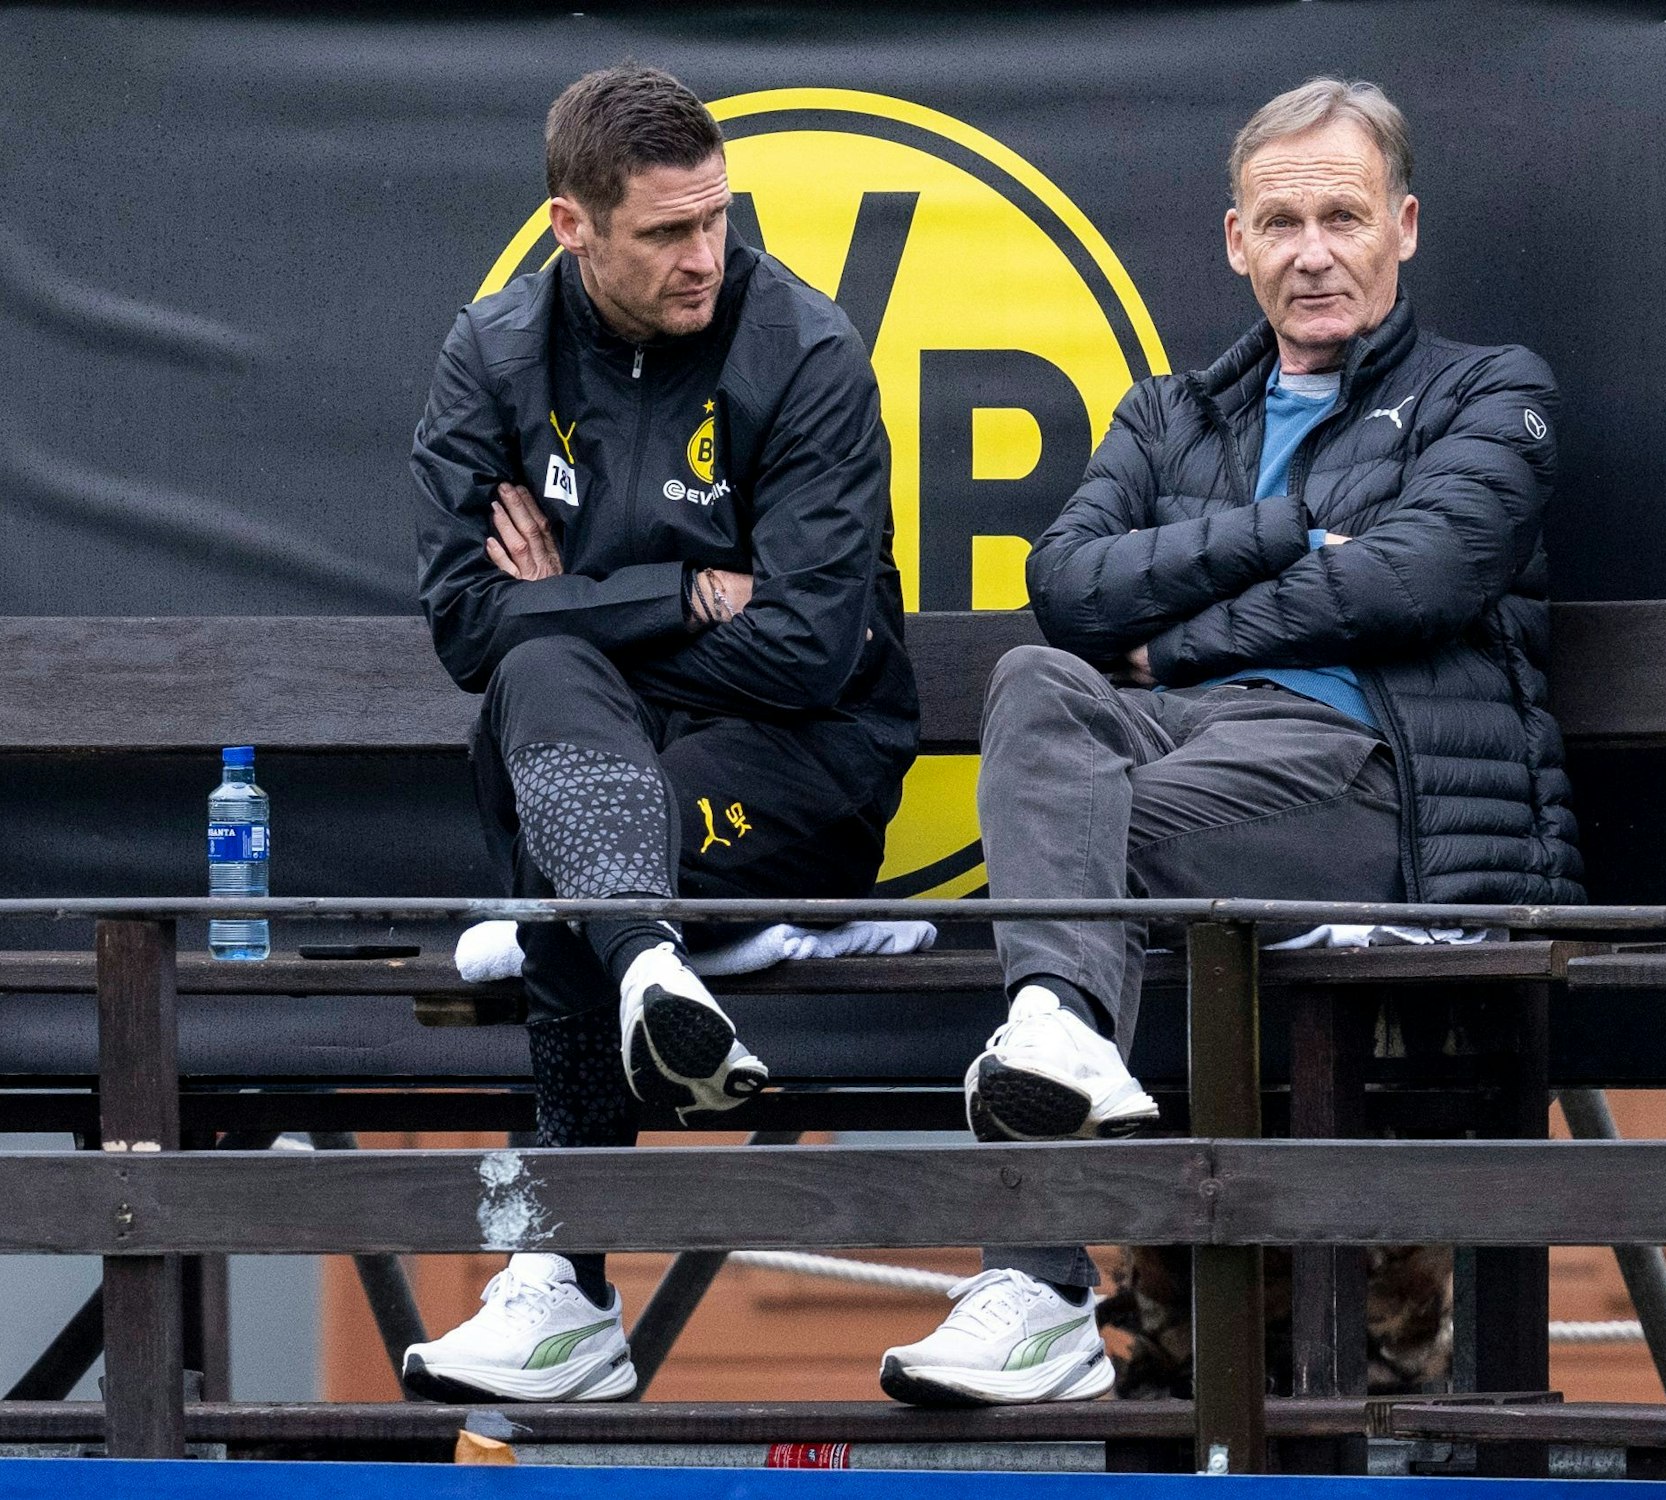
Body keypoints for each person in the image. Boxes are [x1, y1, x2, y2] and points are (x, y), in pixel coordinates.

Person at [879, 76, 1584, 1407]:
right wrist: (1281, 528)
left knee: (1080, 845)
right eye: (1281, 221)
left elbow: (1416, 580)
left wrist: (1182, 639)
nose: (1313, 250)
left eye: (1342, 215)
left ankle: (1031, 1282)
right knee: (1036, 682)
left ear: (1405, 227)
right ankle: (1050, 1080)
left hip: (1372, 791)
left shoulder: (1491, 394)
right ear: (1234, 242)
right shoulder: (1169, 416)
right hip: (1190, 765)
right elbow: (1072, 590)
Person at [405, 63, 917, 1403]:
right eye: (667, 233)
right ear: (571, 225)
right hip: (602, 751)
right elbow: (468, 627)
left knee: (563, 746)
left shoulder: (803, 348)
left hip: (793, 767)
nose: (707, 257)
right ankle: (651, 958)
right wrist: (686, 588)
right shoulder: (496, 351)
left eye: (719, 222)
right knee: (544, 686)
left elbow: (810, 648)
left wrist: (566, 599)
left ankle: (564, 1289)